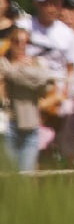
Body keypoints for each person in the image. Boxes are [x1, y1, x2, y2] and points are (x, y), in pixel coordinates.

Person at [1, 29, 56, 172]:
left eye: (25, 42)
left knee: (27, 175)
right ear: (10, 43)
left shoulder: (36, 63)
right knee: (9, 177)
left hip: (31, 125)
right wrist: (22, 71)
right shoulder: (3, 63)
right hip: (9, 125)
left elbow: (48, 83)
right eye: (16, 41)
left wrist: (16, 73)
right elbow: (8, 74)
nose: (21, 45)